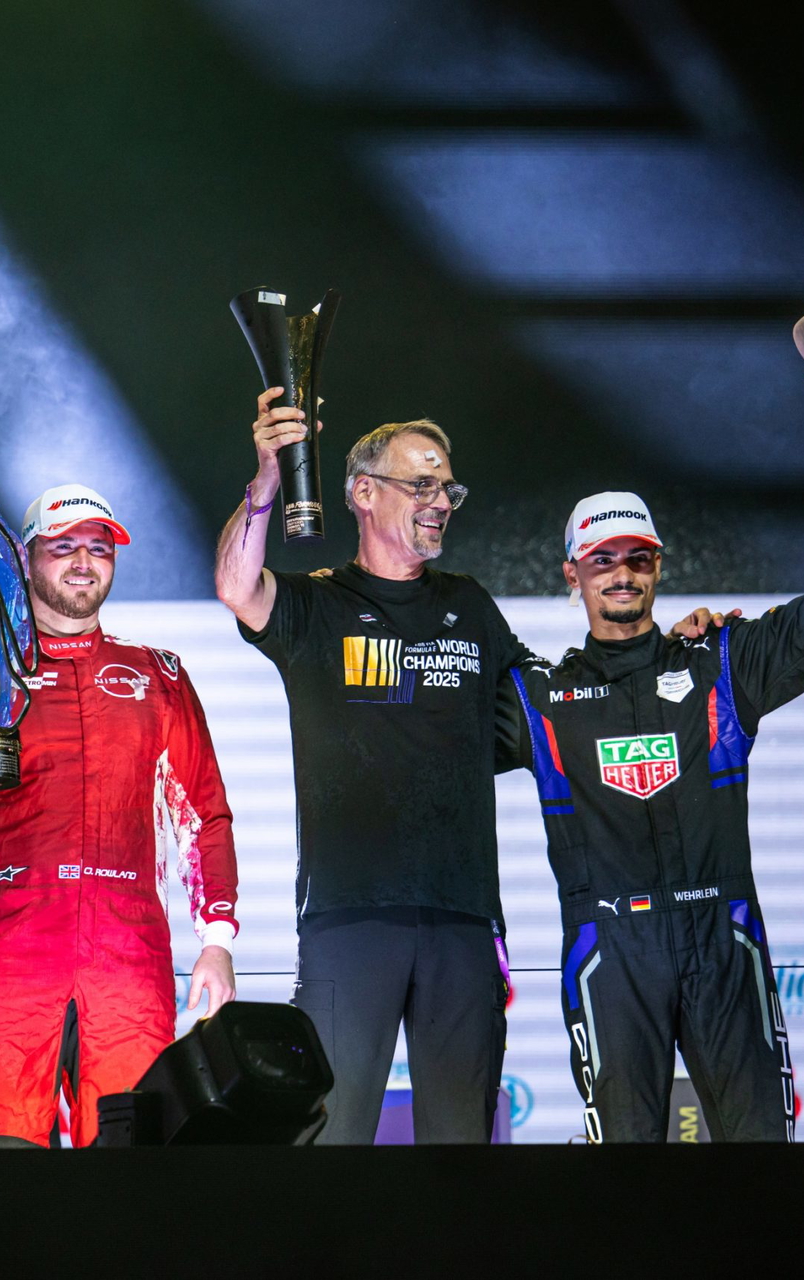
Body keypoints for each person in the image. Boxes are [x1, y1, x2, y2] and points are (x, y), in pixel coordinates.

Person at [499, 379, 804, 1142]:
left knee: (760, 1157)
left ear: (659, 563)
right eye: (603, 558)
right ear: (572, 574)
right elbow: (423, 734)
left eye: (639, 557)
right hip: (608, 952)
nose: (623, 573)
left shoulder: (723, 662)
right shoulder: (535, 697)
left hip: (725, 936)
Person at [215, 394, 530, 1143]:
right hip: (348, 918)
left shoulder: (470, 605)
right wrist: (267, 477)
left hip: (462, 918)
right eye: (420, 485)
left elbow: (544, 708)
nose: (439, 503)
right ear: (362, 491)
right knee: (329, 1133)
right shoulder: (318, 607)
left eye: (447, 489)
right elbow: (235, 585)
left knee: (462, 1147)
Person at [0, 484, 240, 1148]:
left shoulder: (157, 673)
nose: (84, 563)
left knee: (133, 1148)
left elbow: (204, 815)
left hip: (129, 947)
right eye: (64, 548)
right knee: (5, 1148)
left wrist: (218, 940)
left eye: (99, 547)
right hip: (7, 940)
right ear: (23, 560)